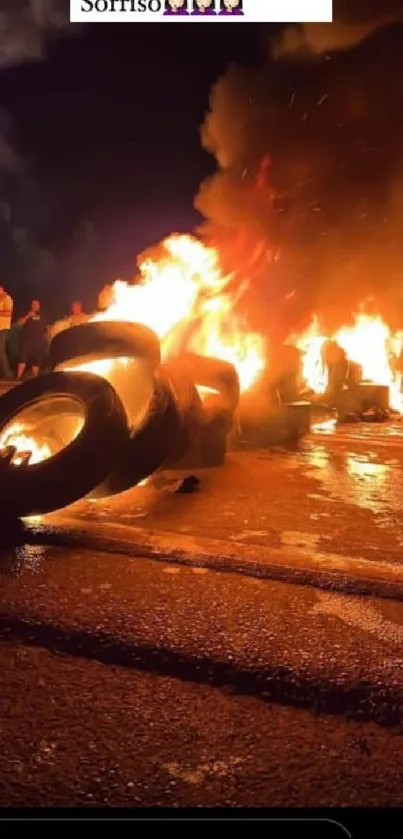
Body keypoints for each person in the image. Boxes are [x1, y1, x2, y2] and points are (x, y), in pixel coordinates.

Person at [17, 299, 47, 380]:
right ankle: (17, 378)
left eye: (36, 304)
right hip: (27, 341)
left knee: (36, 361)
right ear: (31, 305)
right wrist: (28, 316)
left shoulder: (43, 315)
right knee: (22, 359)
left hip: (38, 341)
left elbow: (47, 327)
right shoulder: (26, 314)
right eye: (33, 304)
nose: (35, 306)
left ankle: (35, 379)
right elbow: (19, 324)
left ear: (39, 306)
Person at [0, 284, 13, 378]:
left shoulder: (7, 299)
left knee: (1, 350)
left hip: (3, 328)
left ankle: (7, 374)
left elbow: (8, 313)